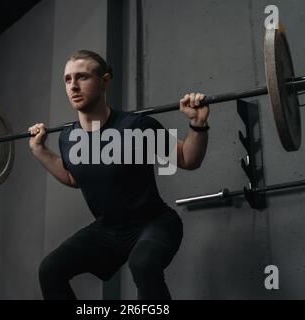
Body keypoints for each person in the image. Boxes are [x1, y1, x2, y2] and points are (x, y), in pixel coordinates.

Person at [29, 50, 209, 300]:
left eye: (82, 77)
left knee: (143, 265)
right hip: (108, 230)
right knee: (50, 270)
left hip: (154, 223)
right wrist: (40, 150)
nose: (73, 86)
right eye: (68, 79)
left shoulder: (136, 127)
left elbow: (188, 159)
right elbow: (73, 178)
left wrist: (197, 124)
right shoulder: (68, 138)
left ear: (105, 80)